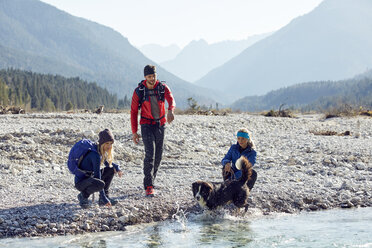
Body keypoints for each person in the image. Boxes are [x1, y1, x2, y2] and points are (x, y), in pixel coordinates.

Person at [131, 64, 175, 197]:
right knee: (150, 154)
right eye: (149, 76)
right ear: (145, 77)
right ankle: (148, 186)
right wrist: (134, 131)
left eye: (154, 76)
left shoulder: (162, 88)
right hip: (146, 125)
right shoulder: (139, 91)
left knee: (158, 156)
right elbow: (133, 112)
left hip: (160, 124)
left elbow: (171, 100)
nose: (152, 78)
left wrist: (170, 111)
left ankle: (151, 180)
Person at [75, 129, 123, 208]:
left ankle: (103, 197)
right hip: (81, 183)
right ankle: (83, 196)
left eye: (111, 143)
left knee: (110, 169)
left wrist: (117, 168)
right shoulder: (95, 155)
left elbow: (108, 164)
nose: (109, 146)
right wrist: (105, 199)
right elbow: (97, 177)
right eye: (107, 143)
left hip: (89, 179)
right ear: (102, 143)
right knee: (100, 183)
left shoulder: (99, 151)